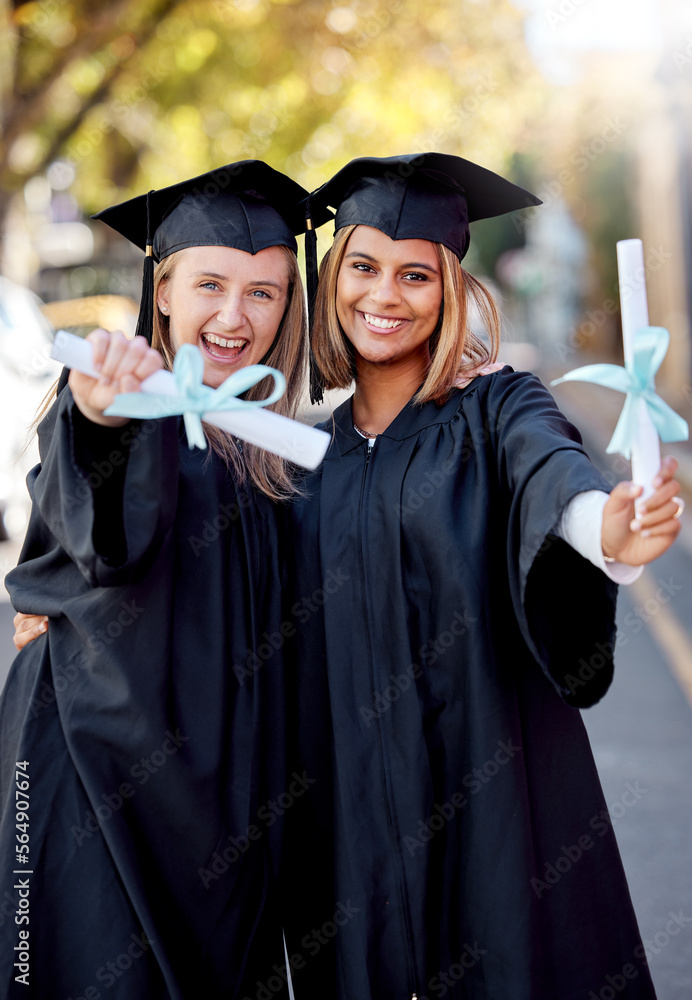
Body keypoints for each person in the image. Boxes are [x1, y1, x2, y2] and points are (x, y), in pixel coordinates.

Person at [279, 153, 682, 1000]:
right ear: (332, 276)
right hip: (353, 837)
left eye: (415, 274)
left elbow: (551, 474)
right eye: (363, 267)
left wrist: (601, 525)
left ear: (452, 287)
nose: (384, 296)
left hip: (499, 805)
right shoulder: (306, 469)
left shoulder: (499, 408)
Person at [0, 160, 326, 999]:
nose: (234, 315)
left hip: (226, 807)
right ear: (165, 290)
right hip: (93, 781)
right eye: (210, 284)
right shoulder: (124, 406)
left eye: (264, 292)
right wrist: (107, 413)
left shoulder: (281, 452)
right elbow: (102, 535)